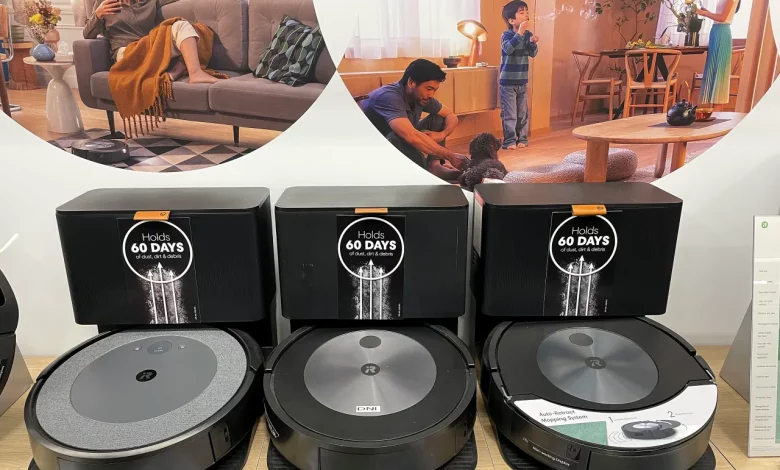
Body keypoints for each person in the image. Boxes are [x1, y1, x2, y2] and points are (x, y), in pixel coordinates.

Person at [360, 59, 469, 180]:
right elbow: (410, 136)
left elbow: (451, 115)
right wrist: (450, 156)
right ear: (411, 83)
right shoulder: (389, 97)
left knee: (439, 118)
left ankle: (435, 167)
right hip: (373, 152)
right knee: (398, 136)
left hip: (400, 139)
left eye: (434, 90)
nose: (431, 95)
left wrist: (442, 134)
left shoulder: (420, 96)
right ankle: (423, 173)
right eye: (429, 89)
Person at [83, 0, 221, 84]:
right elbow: (87, 34)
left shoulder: (149, 1)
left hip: (151, 49)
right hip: (127, 54)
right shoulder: (104, 3)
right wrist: (98, 14)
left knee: (198, 30)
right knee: (180, 26)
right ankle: (194, 73)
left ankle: (176, 71)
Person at [499, 0, 539, 150]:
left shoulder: (528, 34)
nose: (526, 15)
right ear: (512, 20)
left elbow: (532, 54)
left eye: (527, 12)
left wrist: (533, 43)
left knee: (522, 113)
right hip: (507, 83)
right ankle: (509, 141)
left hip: (522, 81)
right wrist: (520, 33)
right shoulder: (506, 35)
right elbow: (508, 49)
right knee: (510, 114)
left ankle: (522, 139)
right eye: (522, 13)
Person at [696, 0, 741, 110]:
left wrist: (704, 13)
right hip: (716, 31)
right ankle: (713, 112)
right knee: (713, 70)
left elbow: (723, 18)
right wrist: (707, 12)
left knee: (720, 72)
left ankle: (717, 112)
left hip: (722, 32)